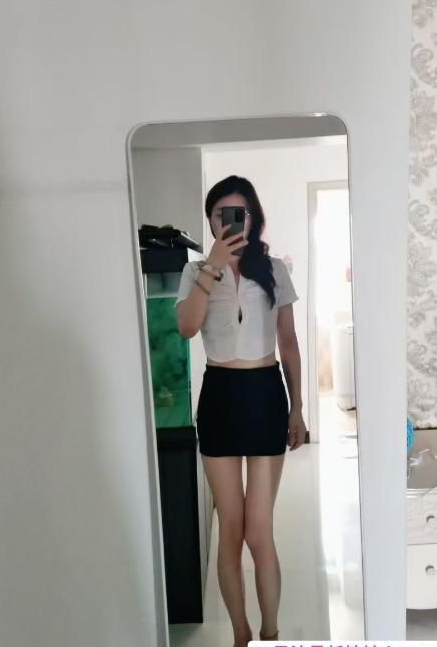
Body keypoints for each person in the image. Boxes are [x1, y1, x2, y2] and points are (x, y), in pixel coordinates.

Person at [175, 175, 306, 647]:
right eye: (221, 214)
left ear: (253, 217)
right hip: (220, 397)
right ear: (211, 221)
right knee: (228, 531)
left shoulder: (273, 269)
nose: (231, 221)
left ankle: (271, 634)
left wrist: (297, 408)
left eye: (240, 213)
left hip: (265, 394)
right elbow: (187, 328)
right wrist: (211, 267)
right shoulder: (195, 271)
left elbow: (288, 343)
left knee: (258, 532)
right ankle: (241, 634)